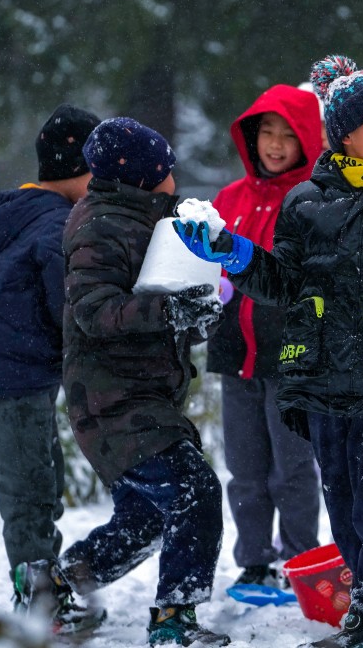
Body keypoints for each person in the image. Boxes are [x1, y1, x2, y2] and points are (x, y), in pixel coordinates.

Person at [175, 54, 363, 648]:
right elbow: (284, 284)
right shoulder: (305, 203)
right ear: (343, 133)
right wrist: (233, 252)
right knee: (340, 496)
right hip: (319, 377)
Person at [56, 117, 229, 647]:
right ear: (146, 177)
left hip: (141, 394)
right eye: (168, 169)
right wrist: (171, 311)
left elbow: (161, 301)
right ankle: (175, 618)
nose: (175, 178)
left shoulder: (146, 219)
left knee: (149, 519)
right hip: (111, 400)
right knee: (195, 493)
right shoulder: (99, 227)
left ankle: (57, 584)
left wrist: (197, 311)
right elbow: (95, 311)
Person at [0, 103, 106, 635]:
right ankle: (41, 607)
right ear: (79, 172)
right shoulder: (54, 226)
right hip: (13, 382)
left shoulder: (32, 217)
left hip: (14, 379)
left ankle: (46, 596)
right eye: (99, 176)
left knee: (37, 484)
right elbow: (66, 302)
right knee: (29, 494)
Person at [209, 84, 323, 588]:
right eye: (266, 133)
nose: (275, 145)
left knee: (293, 470)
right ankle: (254, 564)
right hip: (235, 356)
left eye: (288, 135)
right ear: (250, 138)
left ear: (307, 142)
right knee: (246, 470)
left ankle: (300, 563)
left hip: (292, 359)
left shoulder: (313, 201)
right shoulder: (228, 199)